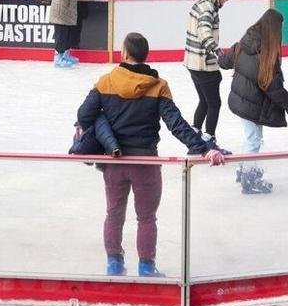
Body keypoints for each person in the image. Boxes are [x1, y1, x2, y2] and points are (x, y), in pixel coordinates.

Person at [76, 32, 226, 277]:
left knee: (114, 214)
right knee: (146, 218)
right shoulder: (158, 86)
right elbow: (176, 124)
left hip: (114, 162)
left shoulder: (106, 82)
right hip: (146, 162)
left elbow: (84, 115)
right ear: (145, 55)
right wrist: (205, 148)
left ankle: (114, 264)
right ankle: (146, 267)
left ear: (124, 53)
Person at [218, 9, 288, 194]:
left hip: (241, 100)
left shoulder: (243, 43)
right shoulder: (265, 57)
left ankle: (244, 171)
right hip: (251, 105)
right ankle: (249, 179)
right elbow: (274, 88)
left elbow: (224, 62)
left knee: (250, 137)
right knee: (253, 140)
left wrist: (221, 54)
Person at [185, 0, 233, 144]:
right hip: (203, 63)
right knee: (214, 103)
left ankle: (194, 134)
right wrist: (218, 52)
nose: (227, 0)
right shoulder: (209, 8)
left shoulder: (200, 4)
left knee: (204, 101)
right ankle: (209, 138)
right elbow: (204, 31)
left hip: (192, 63)